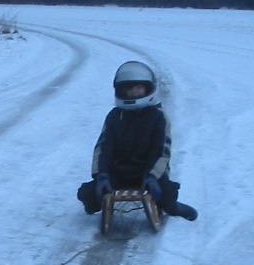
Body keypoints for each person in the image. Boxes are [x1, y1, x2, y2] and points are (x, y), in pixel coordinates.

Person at [77, 61, 197, 221]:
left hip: (148, 174)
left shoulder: (158, 117)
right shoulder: (114, 116)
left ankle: (172, 207)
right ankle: (99, 204)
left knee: (167, 193)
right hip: (118, 172)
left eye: (138, 88)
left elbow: (162, 151)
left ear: (148, 89)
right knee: (87, 193)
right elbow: (103, 147)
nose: (134, 92)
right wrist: (102, 175)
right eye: (129, 89)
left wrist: (152, 175)